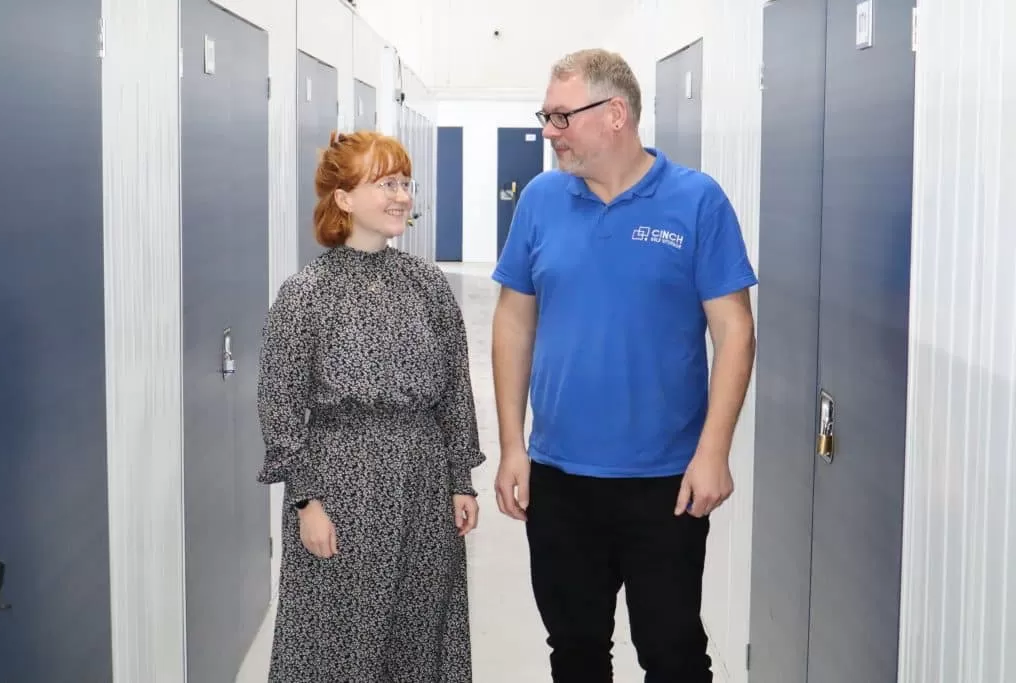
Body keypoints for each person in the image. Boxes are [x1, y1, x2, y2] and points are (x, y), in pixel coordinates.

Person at [491, 49, 758, 683]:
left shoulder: (697, 201)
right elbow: (512, 322)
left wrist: (713, 451)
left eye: (561, 116)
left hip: (665, 482)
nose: (548, 131)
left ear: (616, 114)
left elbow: (735, 330)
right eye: (546, 115)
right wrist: (511, 447)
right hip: (559, 476)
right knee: (576, 652)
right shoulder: (541, 200)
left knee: (672, 655)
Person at [256, 130, 485, 682]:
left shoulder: (428, 286)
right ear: (344, 198)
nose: (402, 195)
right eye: (386, 183)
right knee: (339, 635)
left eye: (405, 182)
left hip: (424, 481)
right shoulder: (306, 292)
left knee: (419, 628)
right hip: (342, 484)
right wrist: (306, 502)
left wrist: (460, 479)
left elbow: (456, 385)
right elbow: (280, 400)